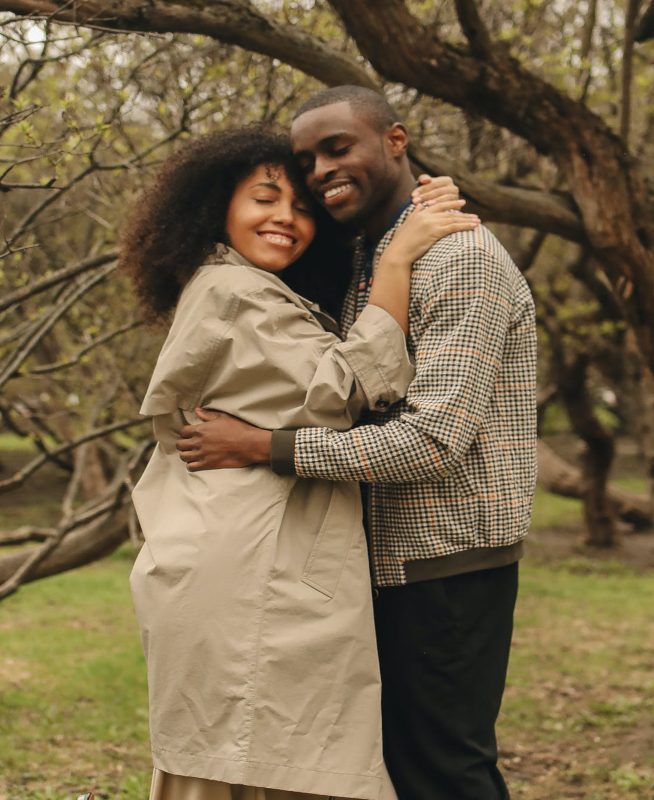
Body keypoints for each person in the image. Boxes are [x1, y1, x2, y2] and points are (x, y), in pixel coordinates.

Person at [176, 87, 539, 800]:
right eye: (306, 158)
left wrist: (265, 448)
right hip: (390, 559)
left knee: (447, 772)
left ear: (395, 142)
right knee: (404, 770)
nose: (318, 170)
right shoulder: (378, 258)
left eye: (337, 147)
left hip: (446, 561)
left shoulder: (459, 260)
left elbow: (432, 442)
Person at [120, 125, 479, 800]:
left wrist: (414, 209)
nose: (286, 218)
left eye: (303, 209)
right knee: (259, 757)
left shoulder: (256, 291)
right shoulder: (232, 289)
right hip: (252, 563)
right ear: (215, 208)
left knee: (242, 756)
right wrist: (399, 259)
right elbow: (344, 389)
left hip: (251, 551)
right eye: (263, 198)